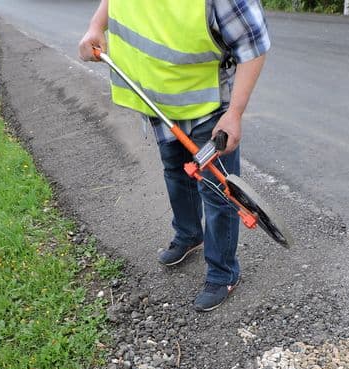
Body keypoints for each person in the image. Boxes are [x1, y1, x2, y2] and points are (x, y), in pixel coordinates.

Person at [78, 0, 270, 312]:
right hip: (158, 102)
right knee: (175, 171)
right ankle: (189, 234)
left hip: (207, 108)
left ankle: (223, 273)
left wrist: (234, 114)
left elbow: (254, 44)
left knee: (217, 192)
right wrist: (95, 27)